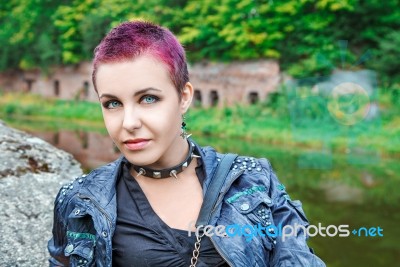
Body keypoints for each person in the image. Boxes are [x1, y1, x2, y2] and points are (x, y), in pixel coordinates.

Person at [48, 20, 326, 267]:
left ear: (184, 97)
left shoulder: (254, 181)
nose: (128, 122)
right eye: (112, 103)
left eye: (148, 99)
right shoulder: (79, 202)